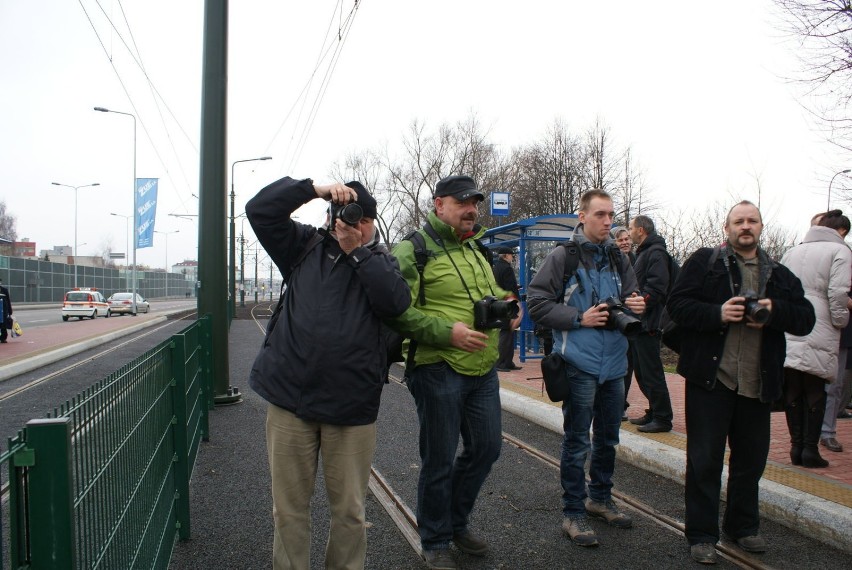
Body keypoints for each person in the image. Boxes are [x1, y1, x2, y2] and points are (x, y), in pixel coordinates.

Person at [245, 175, 411, 570]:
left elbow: (396, 303)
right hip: (290, 402)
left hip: (351, 407)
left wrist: (357, 253)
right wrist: (313, 188)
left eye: (362, 217)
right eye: (344, 213)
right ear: (330, 215)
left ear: (372, 223)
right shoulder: (302, 246)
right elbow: (259, 210)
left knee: (350, 512)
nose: (353, 223)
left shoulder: (382, 262)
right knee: (287, 511)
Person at [667, 200, 815, 564]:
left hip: (758, 382)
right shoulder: (705, 263)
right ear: (726, 227)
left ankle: (742, 526)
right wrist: (718, 313)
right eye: (738, 221)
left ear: (761, 227)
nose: (745, 226)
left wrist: (774, 312)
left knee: (751, 462)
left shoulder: (779, 274)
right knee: (704, 461)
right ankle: (702, 534)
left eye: (752, 221)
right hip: (711, 379)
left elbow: (806, 319)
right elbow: (677, 305)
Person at [387, 174, 518, 570]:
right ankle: (436, 537)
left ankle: (456, 522)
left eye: (475, 202)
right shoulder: (413, 250)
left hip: (482, 368)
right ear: (439, 204)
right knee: (439, 457)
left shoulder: (476, 247)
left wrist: (508, 305)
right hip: (437, 366)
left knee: (486, 448)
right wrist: (448, 333)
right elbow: (395, 310)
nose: (471, 209)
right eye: (463, 202)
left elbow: (484, 295)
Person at [527, 190, 646, 548]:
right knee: (577, 441)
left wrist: (637, 303)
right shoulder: (563, 256)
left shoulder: (618, 257)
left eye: (611, 215)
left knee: (609, 438)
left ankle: (600, 498)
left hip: (615, 365)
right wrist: (580, 318)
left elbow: (631, 298)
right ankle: (574, 512)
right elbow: (536, 304)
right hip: (578, 364)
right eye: (600, 215)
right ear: (582, 216)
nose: (608, 222)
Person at [781, 210, 852, 463]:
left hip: (792, 319)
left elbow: (779, 285)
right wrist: (840, 320)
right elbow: (838, 292)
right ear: (841, 231)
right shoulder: (840, 251)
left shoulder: (793, 250)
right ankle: (810, 449)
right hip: (821, 321)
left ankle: (795, 447)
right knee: (815, 385)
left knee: (793, 385)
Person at [626, 215, 674, 433]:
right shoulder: (645, 252)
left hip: (649, 323)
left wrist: (640, 304)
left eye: (631, 228)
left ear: (641, 230)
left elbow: (657, 287)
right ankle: (654, 411)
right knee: (642, 372)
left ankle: (663, 417)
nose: (629, 232)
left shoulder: (655, 253)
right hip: (641, 323)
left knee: (652, 372)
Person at [613, 227, 636, 420]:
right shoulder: (610, 263)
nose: (625, 242)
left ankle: (621, 404)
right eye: (620, 240)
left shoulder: (637, 259)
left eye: (627, 239)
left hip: (633, 322)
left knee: (627, 367)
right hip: (615, 321)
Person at [492, 246, 522, 371]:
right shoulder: (507, 268)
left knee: (508, 331)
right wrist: (517, 302)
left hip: (499, 303)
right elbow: (510, 287)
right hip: (508, 304)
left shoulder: (496, 268)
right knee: (506, 332)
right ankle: (500, 363)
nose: (512, 257)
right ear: (505, 255)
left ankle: (508, 362)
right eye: (511, 255)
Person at [0, 278, 12, 343]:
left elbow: (8, 301)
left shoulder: (4, 290)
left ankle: (3, 338)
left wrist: (10, 311)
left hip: (3, 311)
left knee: (3, 325)